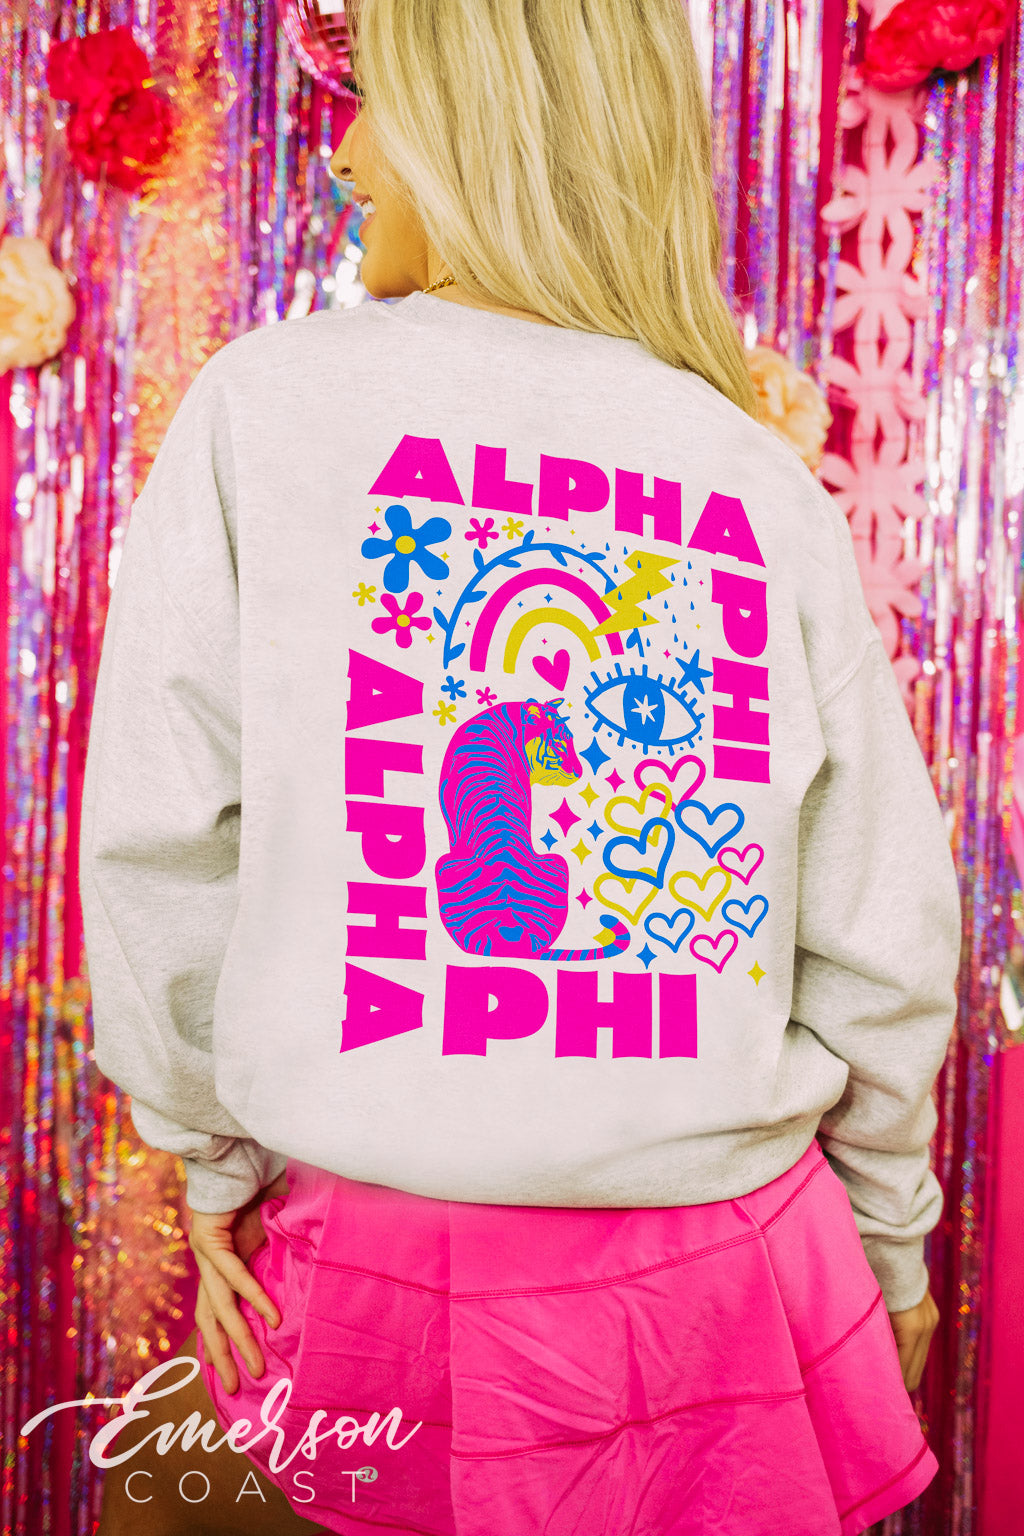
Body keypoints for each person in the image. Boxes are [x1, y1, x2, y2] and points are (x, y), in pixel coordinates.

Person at [83, 0, 960, 1531]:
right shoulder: (757, 477)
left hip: (381, 1277)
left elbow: (165, 845)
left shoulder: (264, 408)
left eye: (375, 102)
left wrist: (205, 1154)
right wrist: (891, 1239)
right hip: (729, 1289)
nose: (344, 154)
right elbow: (879, 932)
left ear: (470, 120)